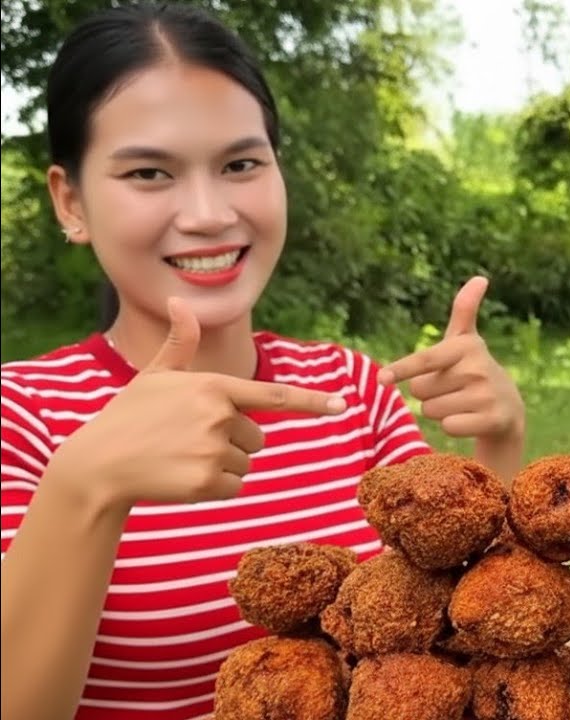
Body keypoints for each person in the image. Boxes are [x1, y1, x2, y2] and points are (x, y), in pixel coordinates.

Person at [0, 4, 527, 719]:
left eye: (241, 164)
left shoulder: (352, 390)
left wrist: (497, 448)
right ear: (71, 202)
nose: (209, 212)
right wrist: (86, 486)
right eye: (150, 173)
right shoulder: (22, 418)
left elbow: (463, 639)